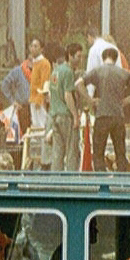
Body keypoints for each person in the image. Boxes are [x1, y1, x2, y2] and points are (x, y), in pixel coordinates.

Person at [81, 46, 130, 173]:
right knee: (120, 151)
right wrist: (126, 101)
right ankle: (121, 177)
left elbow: (78, 84)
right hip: (118, 116)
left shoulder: (97, 71)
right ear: (116, 59)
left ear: (103, 58)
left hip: (102, 115)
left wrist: (90, 100)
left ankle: (101, 177)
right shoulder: (123, 73)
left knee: (98, 152)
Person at [44, 43, 84, 172]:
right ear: (70, 56)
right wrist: (75, 116)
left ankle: (56, 179)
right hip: (66, 116)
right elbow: (68, 95)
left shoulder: (56, 71)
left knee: (57, 152)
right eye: (78, 56)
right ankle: (71, 179)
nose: (80, 60)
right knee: (72, 151)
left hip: (55, 115)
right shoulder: (68, 72)